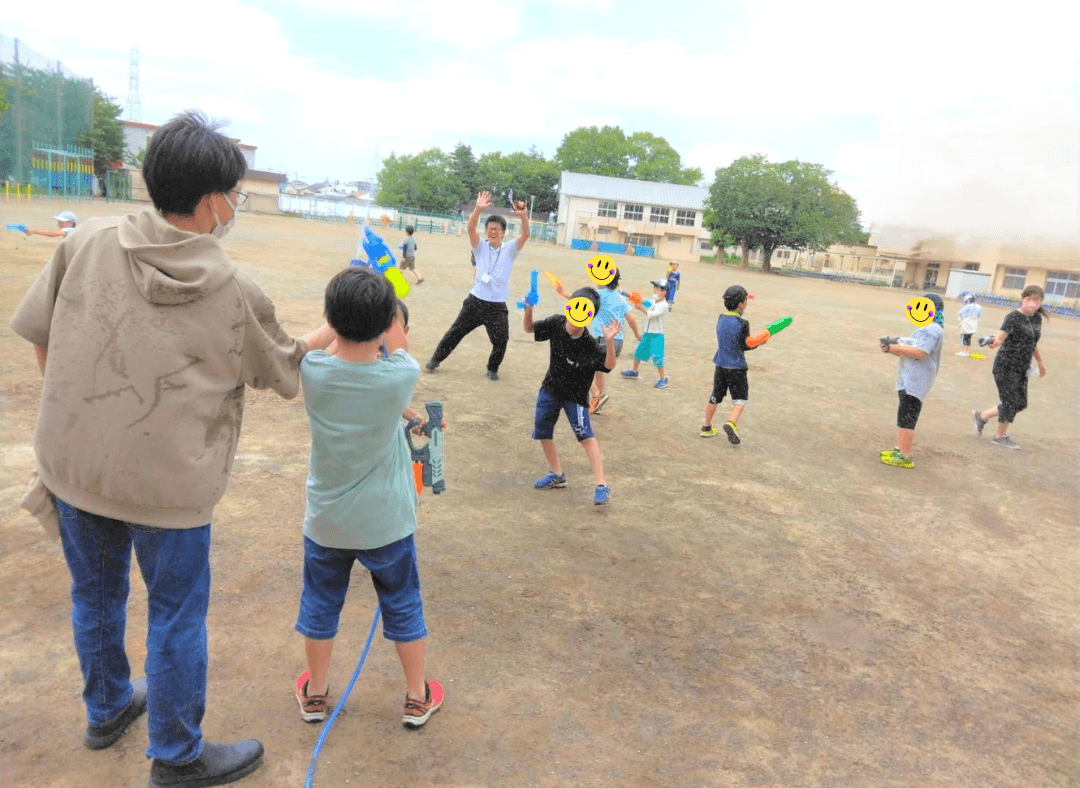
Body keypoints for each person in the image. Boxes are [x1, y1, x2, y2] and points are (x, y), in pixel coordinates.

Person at [9, 110, 336, 788]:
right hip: (171, 489)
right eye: (236, 196)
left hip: (75, 467)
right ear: (213, 199)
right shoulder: (235, 289)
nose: (236, 207)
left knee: (94, 597)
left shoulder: (87, 241)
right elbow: (282, 372)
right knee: (176, 614)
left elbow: (41, 333)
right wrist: (330, 331)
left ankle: (106, 709)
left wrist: (81, 417)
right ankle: (177, 754)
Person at [294, 268, 443, 729]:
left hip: (328, 522)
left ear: (332, 321)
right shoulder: (400, 376)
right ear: (385, 324)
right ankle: (417, 697)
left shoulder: (313, 371)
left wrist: (334, 323)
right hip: (386, 523)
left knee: (320, 603)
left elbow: (304, 346)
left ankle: (315, 694)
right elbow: (396, 346)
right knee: (402, 602)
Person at [523, 288, 619, 505]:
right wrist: (528, 309)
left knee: (586, 436)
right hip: (551, 388)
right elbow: (529, 328)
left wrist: (610, 342)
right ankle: (557, 475)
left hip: (575, 396)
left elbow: (609, 366)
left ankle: (601, 484)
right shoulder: (556, 323)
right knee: (542, 431)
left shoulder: (588, 343)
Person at [426, 191, 529, 381]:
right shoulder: (480, 246)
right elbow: (471, 228)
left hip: (497, 307)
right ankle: (435, 359)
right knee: (455, 332)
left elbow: (525, 234)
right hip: (475, 302)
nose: (492, 231)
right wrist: (478, 208)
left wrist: (523, 216)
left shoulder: (510, 249)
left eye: (496, 228)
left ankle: (492, 368)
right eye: (490, 228)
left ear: (503, 232)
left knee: (501, 341)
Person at [552, 270, 641, 415]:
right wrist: (637, 334)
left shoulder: (597, 295)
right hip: (617, 342)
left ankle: (595, 397)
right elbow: (631, 319)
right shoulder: (619, 297)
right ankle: (596, 402)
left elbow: (579, 302)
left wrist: (564, 293)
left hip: (602, 340)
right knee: (598, 372)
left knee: (579, 366)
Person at [973, 285, 1048, 450]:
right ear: (1023, 299)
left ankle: (982, 416)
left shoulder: (1037, 319)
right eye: (1028, 299)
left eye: (1036, 300)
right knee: (1010, 401)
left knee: (1020, 403)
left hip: (1022, 367)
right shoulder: (1013, 317)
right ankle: (1000, 436)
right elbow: (1000, 338)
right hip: (1005, 365)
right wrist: (992, 343)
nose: (1032, 303)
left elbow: (1033, 343)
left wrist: (1040, 363)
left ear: (1040, 302)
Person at [877, 293, 945, 469]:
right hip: (910, 378)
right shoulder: (926, 327)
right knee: (903, 414)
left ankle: (905, 455)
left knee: (908, 416)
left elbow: (921, 351)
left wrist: (895, 347)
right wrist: (894, 344)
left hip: (917, 380)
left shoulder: (932, 329)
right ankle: (900, 449)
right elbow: (912, 343)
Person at [701, 285, 765, 445]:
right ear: (741, 305)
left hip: (720, 364)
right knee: (740, 398)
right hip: (736, 366)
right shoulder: (743, 323)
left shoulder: (720, 318)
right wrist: (759, 342)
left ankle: (706, 427)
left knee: (715, 396)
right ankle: (731, 423)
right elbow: (745, 345)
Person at [621, 280, 670, 388]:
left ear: (664, 292)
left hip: (657, 336)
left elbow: (652, 315)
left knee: (658, 358)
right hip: (647, 334)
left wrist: (640, 309)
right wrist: (628, 295)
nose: (655, 290)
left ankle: (663, 378)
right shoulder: (654, 301)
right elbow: (644, 301)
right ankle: (634, 372)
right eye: (655, 288)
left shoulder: (664, 305)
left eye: (657, 289)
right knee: (638, 352)